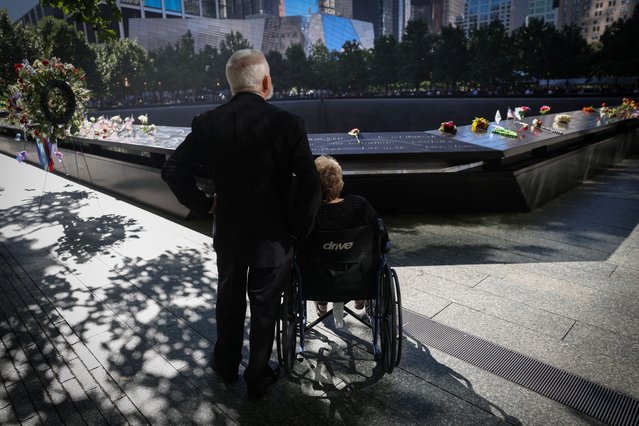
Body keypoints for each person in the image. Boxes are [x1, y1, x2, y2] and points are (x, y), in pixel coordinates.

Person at [161, 49, 321, 399]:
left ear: (231, 84)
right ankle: (258, 375)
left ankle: (226, 364)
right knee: (265, 309)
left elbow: (173, 170)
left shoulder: (207, 121)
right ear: (265, 82)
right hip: (274, 237)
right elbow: (311, 183)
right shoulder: (288, 123)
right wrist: (299, 228)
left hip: (230, 232)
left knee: (229, 300)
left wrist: (205, 205)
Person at [312, 155, 390, 316]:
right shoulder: (359, 205)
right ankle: (360, 296)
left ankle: (321, 301)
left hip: (316, 282)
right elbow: (380, 233)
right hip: (359, 279)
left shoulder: (309, 212)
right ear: (339, 184)